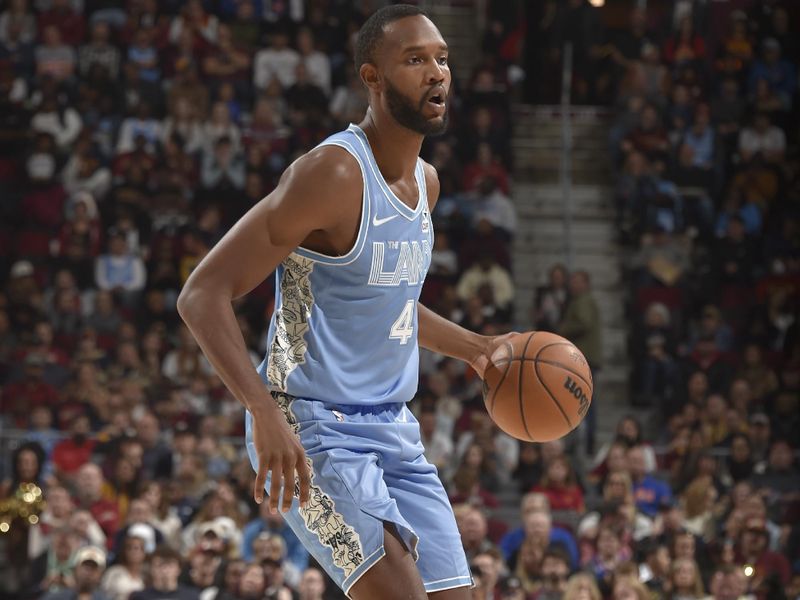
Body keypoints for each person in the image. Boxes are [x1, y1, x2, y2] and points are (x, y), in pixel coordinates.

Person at [178, 6, 516, 599]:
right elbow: (202, 294)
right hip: (310, 426)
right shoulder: (333, 174)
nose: (436, 73)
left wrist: (478, 348)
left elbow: (391, 305)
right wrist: (262, 412)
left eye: (441, 59)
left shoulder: (427, 184)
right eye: (415, 60)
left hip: (394, 430)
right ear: (372, 78)